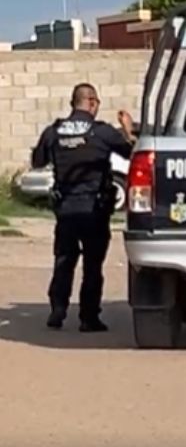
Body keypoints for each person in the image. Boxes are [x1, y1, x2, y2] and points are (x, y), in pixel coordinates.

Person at [32, 83, 136, 332]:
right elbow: (131, 152)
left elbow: (38, 161)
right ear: (91, 102)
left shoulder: (54, 130)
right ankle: (88, 318)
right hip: (94, 209)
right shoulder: (102, 132)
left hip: (65, 208)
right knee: (92, 265)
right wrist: (128, 130)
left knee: (64, 260)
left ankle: (58, 309)